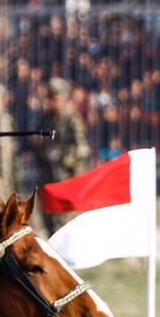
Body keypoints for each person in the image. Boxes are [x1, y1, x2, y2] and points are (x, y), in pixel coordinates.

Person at [35, 77, 90, 234]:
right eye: (50, 98)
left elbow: (82, 148)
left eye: (56, 98)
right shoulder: (47, 118)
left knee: (65, 222)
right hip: (49, 176)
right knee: (49, 219)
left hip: (66, 176)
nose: (53, 102)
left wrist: (61, 156)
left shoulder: (72, 118)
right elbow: (38, 139)